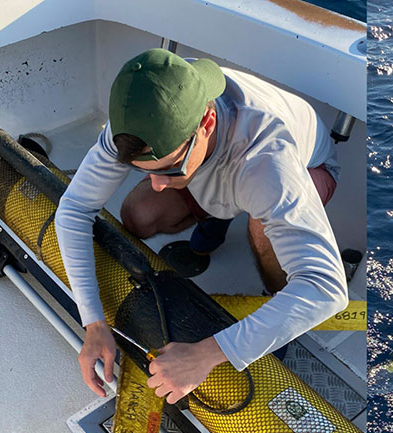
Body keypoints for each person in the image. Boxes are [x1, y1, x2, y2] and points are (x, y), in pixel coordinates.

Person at [54, 49, 348, 403]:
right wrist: (94, 322)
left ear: (207, 123)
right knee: (140, 213)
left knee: (262, 231)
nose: (158, 183)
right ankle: (212, 223)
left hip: (305, 168)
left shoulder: (268, 162)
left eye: (168, 170)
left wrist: (207, 354)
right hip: (217, 170)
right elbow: (73, 209)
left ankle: (277, 306)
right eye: (146, 171)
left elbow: (325, 288)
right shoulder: (140, 113)